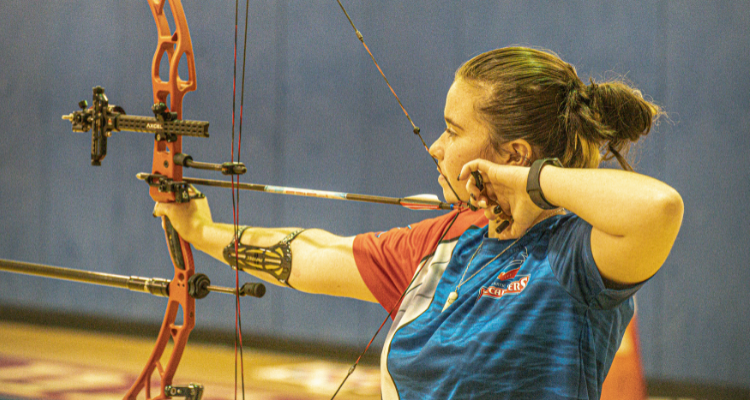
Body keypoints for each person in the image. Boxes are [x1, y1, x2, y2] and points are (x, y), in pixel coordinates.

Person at [154, 47, 683, 399]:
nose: (436, 147)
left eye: (454, 131)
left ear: (514, 153)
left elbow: (657, 208)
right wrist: (202, 230)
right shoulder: (451, 241)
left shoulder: (577, 256)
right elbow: (317, 255)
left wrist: (527, 181)